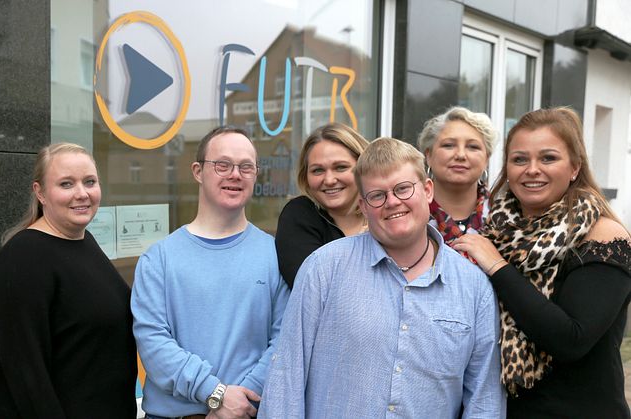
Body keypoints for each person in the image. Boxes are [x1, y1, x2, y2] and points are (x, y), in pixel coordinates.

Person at [260, 137, 506, 418]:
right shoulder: (323, 269)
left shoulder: (473, 287)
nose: (392, 202)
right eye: (377, 195)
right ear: (363, 206)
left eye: (403, 189)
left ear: (427, 190)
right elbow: (286, 377)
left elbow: (484, 401)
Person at [453, 107, 631, 418]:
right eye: (519, 159)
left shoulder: (601, 236)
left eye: (548, 158)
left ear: (574, 167)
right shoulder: (497, 232)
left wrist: (498, 268)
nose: (532, 169)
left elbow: (570, 339)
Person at [132, 126, 290, 419]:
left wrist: (241, 402)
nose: (235, 174)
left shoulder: (276, 256)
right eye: (222, 165)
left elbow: (285, 341)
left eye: (246, 167)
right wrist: (215, 394)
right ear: (197, 171)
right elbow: (154, 344)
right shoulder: (158, 259)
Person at [0, 143, 138, 418]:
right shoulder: (23, 258)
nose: (82, 193)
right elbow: (26, 375)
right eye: (66, 184)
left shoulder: (83, 241)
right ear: (40, 192)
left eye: (90, 182)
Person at [275, 123, 369, 288]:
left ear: (363, 167)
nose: (329, 180)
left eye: (340, 167)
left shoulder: (384, 211)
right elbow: (316, 288)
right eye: (318, 170)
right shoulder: (300, 215)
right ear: (306, 176)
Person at [418, 106, 497, 253]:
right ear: (428, 155)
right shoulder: (408, 213)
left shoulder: (506, 217)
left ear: (486, 159)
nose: (461, 155)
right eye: (449, 145)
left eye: (473, 147)